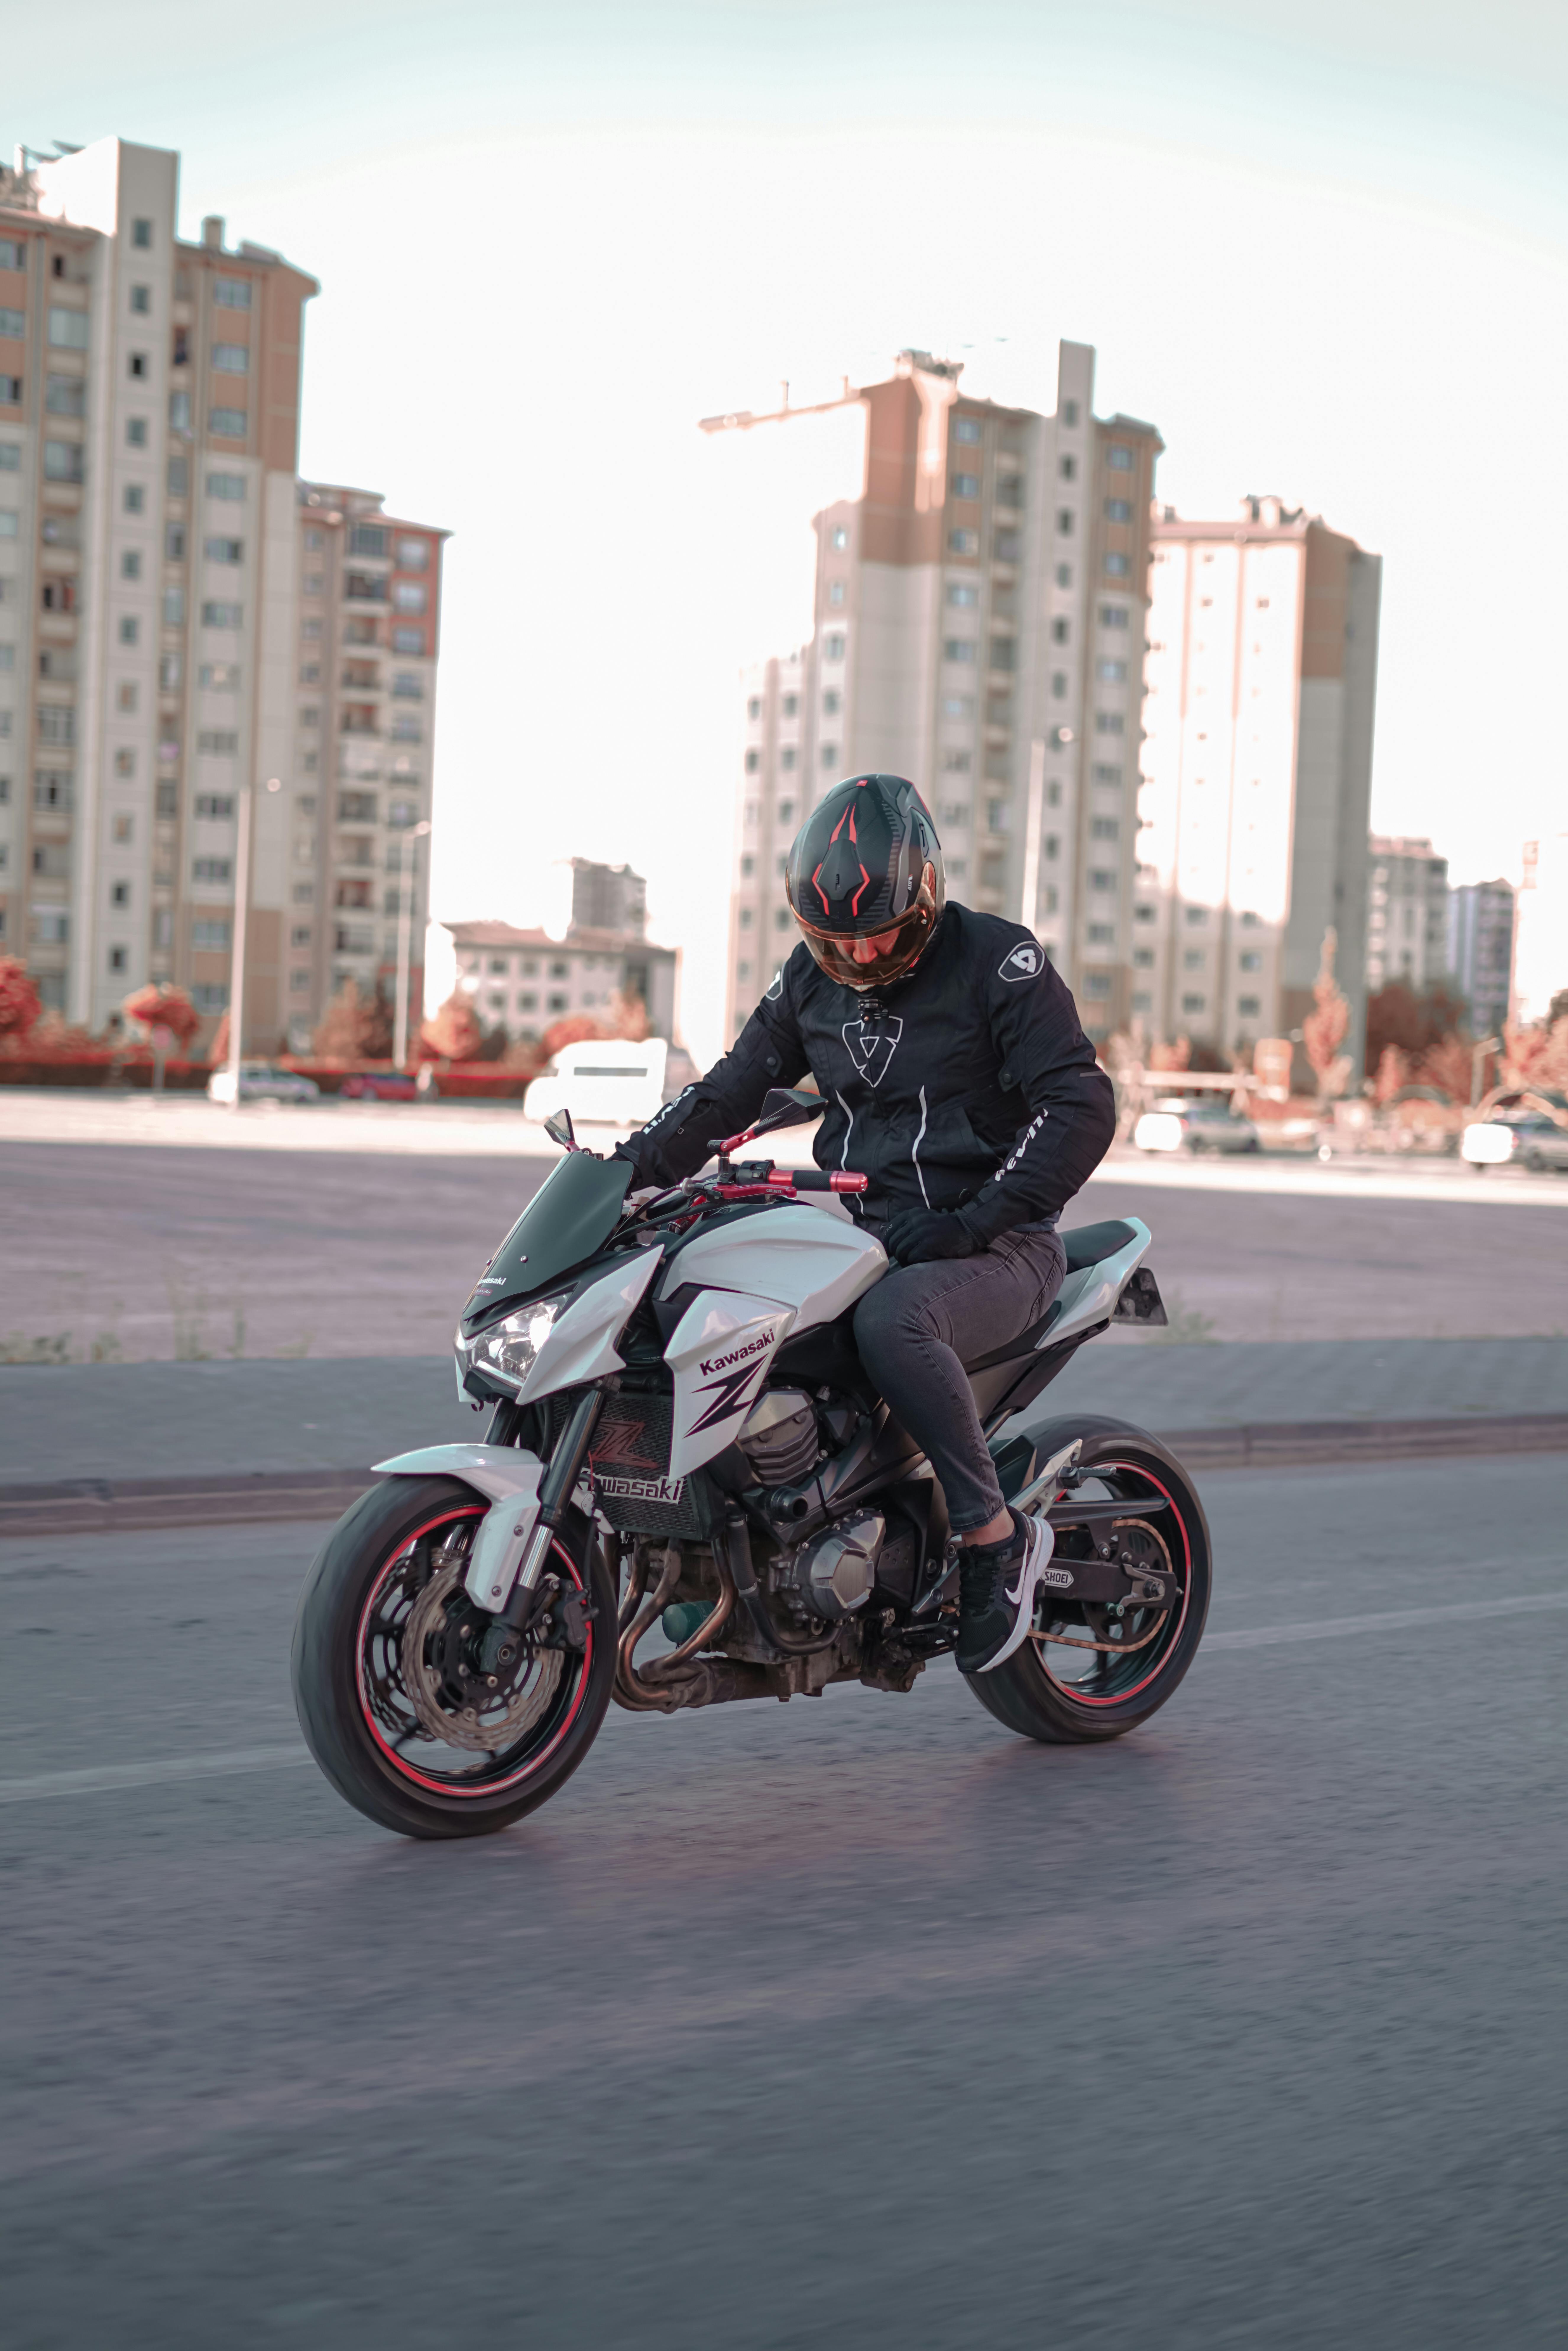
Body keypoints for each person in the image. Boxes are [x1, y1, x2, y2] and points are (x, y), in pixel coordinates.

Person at [615, 774, 1115, 1674]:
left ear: (923, 894)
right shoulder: (811, 980)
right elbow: (727, 1092)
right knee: (693, 1290)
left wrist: (974, 1221)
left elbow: (1080, 1107)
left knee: (897, 1319)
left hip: (999, 1248)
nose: (862, 951)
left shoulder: (998, 962)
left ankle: (993, 1540)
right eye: (837, 937)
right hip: (871, 1238)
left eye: (879, 930)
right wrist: (623, 1172)